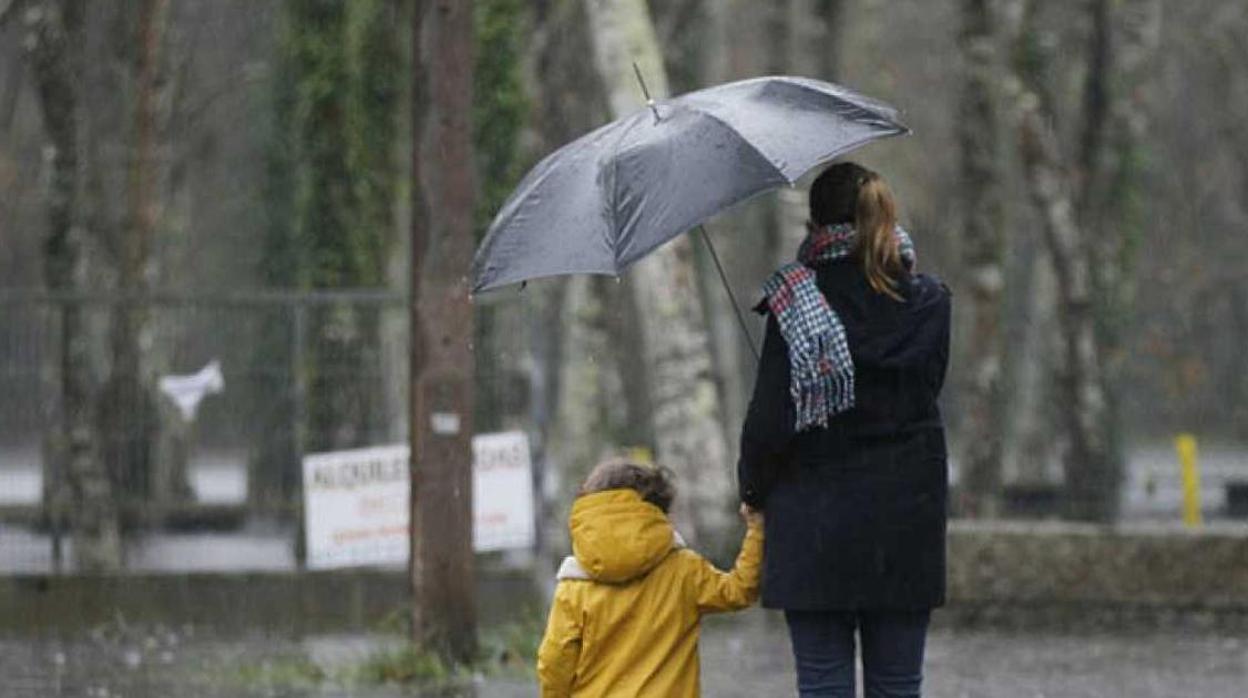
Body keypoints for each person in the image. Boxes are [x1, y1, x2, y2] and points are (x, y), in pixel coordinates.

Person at [738, 161, 952, 698]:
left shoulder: (796, 305)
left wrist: (752, 490)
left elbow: (769, 422)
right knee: (899, 685)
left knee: (823, 685)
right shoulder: (928, 303)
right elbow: (924, 392)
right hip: (905, 522)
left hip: (815, 527)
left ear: (814, 226)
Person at [537, 458, 763, 697]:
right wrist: (757, 530)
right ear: (656, 507)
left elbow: (555, 660)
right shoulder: (683, 569)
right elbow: (740, 591)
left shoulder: (574, 586)